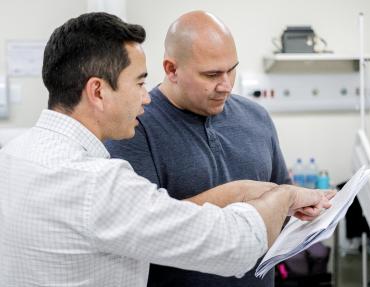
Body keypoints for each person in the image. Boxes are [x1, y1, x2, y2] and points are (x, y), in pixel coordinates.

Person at [0, 12, 335, 287]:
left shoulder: (13, 156)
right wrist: (280, 197)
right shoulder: (97, 183)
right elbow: (235, 245)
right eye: (140, 83)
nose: (146, 97)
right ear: (98, 92)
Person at [105, 10, 295, 287]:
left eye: (231, 69)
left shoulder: (257, 118)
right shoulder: (134, 128)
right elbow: (143, 229)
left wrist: (310, 212)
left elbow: (284, 200)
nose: (226, 85)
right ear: (172, 70)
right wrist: (236, 194)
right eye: (212, 74)